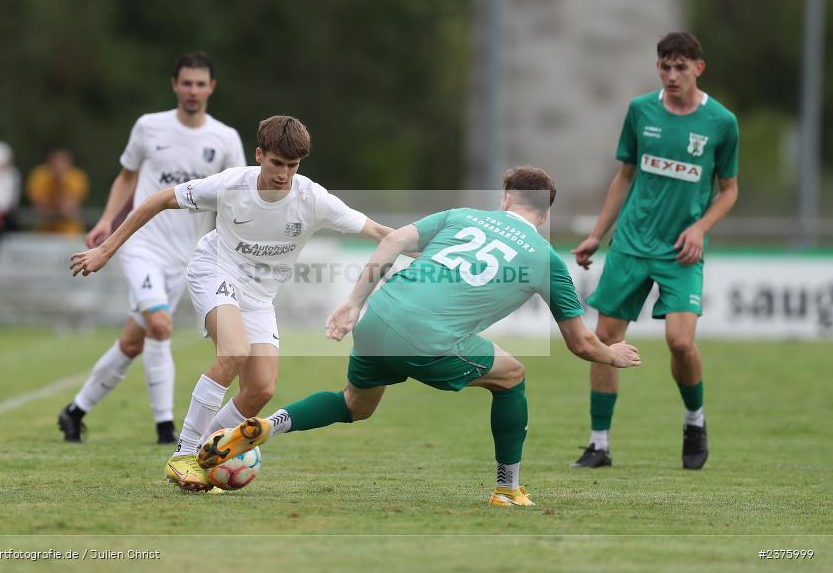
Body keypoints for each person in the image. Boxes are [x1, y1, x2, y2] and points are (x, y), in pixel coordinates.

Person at [197, 166, 642, 507]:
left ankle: (265, 425)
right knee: (513, 377)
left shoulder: (460, 216)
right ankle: (508, 490)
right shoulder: (546, 258)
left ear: (506, 199)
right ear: (545, 214)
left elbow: (391, 243)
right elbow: (580, 343)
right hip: (430, 340)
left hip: (378, 317)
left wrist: (353, 302)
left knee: (355, 403)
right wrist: (612, 354)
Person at [70, 115, 397, 492]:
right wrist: (106, 249)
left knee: (262, 388)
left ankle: (207, 454)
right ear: (259, 155)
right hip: (214, 270)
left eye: (293, 166)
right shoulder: (230, 185)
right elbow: (160, 199)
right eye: (277, 163)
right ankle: (183, 455)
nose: (284, 174)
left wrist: (429, 247)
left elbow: (379, 232)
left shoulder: (313, 199)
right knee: (234, 352)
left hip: (260, 295)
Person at [569, 32, 739, 470]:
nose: (671, 75)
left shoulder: (721, 122)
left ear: (699, 68)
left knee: (680, 342)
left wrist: (701, 228)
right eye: (664, 66)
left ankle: (694, 421)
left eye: (680, 67)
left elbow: (729, 191)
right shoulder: (641, 111)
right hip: (630, 243)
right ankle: (599, 445)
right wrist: (597, 234)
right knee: (605, 339)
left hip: (680, 249)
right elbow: (624, 176)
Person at [58, 52, 247, 444]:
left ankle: (74, 411)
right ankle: (165, 428)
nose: (192, 90)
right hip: (142, 244)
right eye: (186, 83)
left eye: (200, 84)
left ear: (211, 88)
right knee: (160, 325)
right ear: (174, 85)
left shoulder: (225, 139)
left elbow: (236, 197)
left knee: (133, 340)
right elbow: (126, 177)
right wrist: (107, 221)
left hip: (187, 256)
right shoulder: (149, 127)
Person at [26, 149, 89, 234]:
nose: (58, 167)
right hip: (44, 233)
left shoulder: (77, 177)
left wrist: (61, 183)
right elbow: (40, 207)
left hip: (70, 233)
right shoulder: (40, 176)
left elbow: (68, 209)